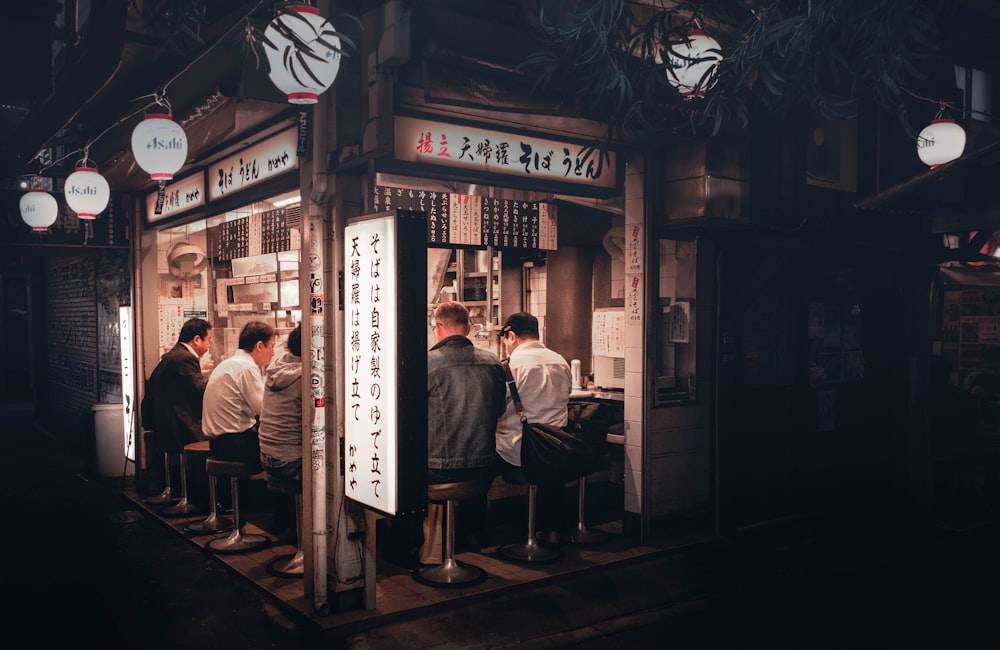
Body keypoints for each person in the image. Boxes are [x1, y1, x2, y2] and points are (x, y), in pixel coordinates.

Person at [385, 301, 506, 568]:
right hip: (483, 468)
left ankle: (407, 550)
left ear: (437, 327)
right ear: (469, 327)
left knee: (400, 475)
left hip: (437, 470)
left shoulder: (424, 364)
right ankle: (468, 536)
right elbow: (499, 410)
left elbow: (407, 417)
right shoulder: (493, 362)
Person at [495, 311, 573, 546]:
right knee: (551, 468)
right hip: (556, 450)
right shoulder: (560, 360)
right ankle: (552, 531)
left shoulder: (510, 366)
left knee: (482, 460)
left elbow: (496, 406)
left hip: (517, 455)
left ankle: (472, 533)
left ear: (511, 336)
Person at [140, 317, 213, 494]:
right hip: (178, 426)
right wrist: (218, 379)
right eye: (208, 339)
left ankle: (179, 492)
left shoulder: (174, 354)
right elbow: (201, 391)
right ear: (197, 339)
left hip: (164, 423)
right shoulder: (186, 358)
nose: (209, 345)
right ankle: (200, 497)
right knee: (217, 440)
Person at [202, 321, 276, 471]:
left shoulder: (230, 363)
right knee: (282, 450)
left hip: (218, 442)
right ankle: (269, 493)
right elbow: (264, 411)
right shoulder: (246, 367)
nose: (273, 353)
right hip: (234, 443)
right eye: (272, 346)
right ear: (260, 346)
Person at [258, 323, 303, 538]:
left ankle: (288, 524)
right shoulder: (307, 376)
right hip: (290, 465)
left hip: (267, 459)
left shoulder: (276, 368)